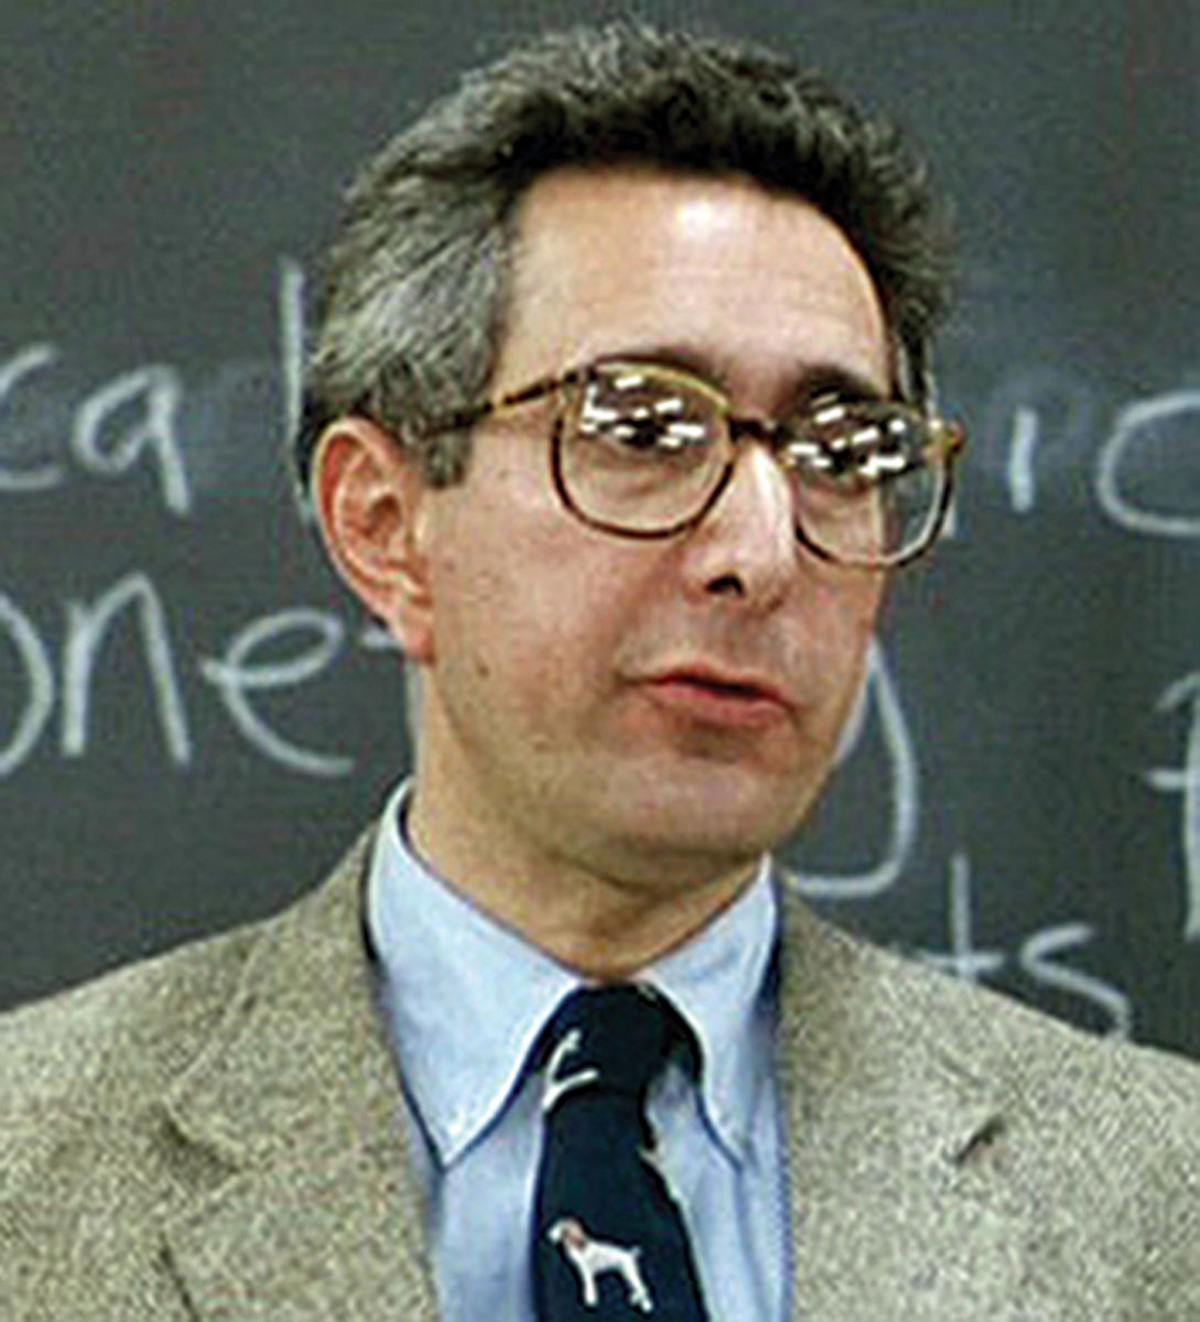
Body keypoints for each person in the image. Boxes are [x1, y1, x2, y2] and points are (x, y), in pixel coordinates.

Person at [2, 22, 1197, 1321]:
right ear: (386, 527)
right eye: (642, 426)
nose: (761, 552)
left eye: (844, 453)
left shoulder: (1155, 1199)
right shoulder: (34, 1165)